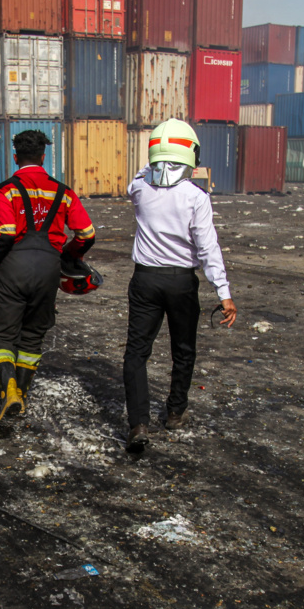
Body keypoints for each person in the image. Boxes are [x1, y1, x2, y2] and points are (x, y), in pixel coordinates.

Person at [0, 130, 96, 429]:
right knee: (32, 337)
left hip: (13, 267)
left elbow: (6, 234)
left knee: (1, 337)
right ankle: (21, 397)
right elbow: (87, 234)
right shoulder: (63, 192)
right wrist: (67, 256)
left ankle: (8, 392)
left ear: (15, 157)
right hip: (48, 269)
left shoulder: (5, 190)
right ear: (43, 157)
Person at [124, 119, 237, 451]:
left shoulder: (140, 189)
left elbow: (138, 178)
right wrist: (224, 293)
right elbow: (208, 248)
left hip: (145, 279)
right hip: (181, 282)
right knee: (183, 349)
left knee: (136, 353)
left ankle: (138, 424)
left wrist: (155, 161)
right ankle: (175, 412)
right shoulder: (196, 197)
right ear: (191, 156)